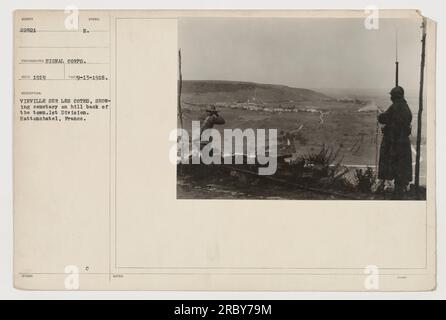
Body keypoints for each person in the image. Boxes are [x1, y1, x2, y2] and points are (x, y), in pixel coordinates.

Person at [377, 86, 413, 195]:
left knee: (391, 165)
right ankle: (399, 191)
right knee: (401, 168)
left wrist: (381, 115)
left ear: (395, 96)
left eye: (392, 96)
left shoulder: (394, 107)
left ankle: (395, 193)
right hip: (403, 143)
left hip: (393, 143)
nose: (391, 98)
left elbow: (383, 118)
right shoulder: (406, 107)